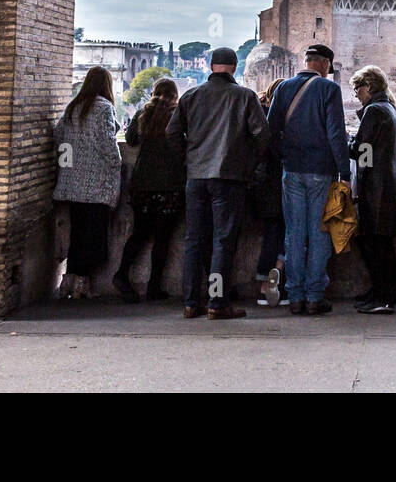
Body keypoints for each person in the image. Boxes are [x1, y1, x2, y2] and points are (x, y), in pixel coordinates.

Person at [167, 47, 269, 320]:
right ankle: (217, 303)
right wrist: (247, 165)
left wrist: (188, 161)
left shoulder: (191, 96)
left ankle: (190, 303)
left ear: (211, 67)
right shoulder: (245, 96)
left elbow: (172, 133)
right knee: (223, 241)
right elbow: (262, 136)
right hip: (229, 178)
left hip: (196, 177)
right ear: (234, 68)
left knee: (194, 240)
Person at [267, 44, 351, 315]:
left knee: (294, 234)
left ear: (306, 62)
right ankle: (314, 296)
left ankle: (294, 297)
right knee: (319, 233)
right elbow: (336, 135)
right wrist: (345, 174)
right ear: (325, 64)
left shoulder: (282, 88)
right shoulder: (329, 89)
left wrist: (285, 157)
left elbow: (270, 131)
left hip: (291, 171)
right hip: (321, 171)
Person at [53, 66, 122, 300]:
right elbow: (108, 143)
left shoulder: (73, 107)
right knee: (94, 239)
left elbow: (59, 137)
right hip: (95, 186)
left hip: (72, 184)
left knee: (78, 235)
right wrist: (116, 163)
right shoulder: (104, 108)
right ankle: (82, 285)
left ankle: (67, 283)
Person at [112, 77, 184, 303]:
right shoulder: (178, 116)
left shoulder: (144, 112)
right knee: (163, 239)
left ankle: (122, 275)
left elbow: (131, 140)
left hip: (142, 183)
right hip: (169, 185)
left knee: (140, 234)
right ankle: (154, 286)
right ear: (174, 95)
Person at [349, 65, 396, 314]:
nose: (355, 94)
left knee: (375, 244)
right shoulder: (387, 109)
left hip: (375, 188)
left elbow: (362, 151)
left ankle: (383, 298)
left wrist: (348, 142)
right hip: (386, 185)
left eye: (357, 88)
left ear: (369, 86)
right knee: (381, 244)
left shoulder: (374, 111)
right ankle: (385, 293)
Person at [251, 78, 288, 307]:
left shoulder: (258, 114)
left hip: (259, 185)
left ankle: (263, 288)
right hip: (281, 184)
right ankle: (280, 274)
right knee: (288, 235)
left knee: (270, 236)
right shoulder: (281, 120)